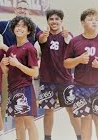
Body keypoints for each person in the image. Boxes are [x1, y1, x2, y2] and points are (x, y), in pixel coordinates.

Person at [0, 0, 45, 140]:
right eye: (20, 8)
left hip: (24, 83)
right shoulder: (7, 30)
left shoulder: (31, 38)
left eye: (25, 8)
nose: (22, 10)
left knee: (28, 120)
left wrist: (47, 35)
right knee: (14, 117)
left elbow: (42, 41)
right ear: (15, 10)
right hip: (9, 78)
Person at [63, 8, 98, 140]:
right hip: (81, 87)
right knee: (85, 120)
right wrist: (79, 59)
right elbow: (66, 63)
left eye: (96, 20)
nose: (94, 22)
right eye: (90, 19)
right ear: (82, 22)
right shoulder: (75, 41)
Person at [36, 9, 81, 140]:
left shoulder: (67, 35)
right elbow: (41, 39)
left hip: (65, 79)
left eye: (57, 19)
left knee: (71, 110)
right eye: (51, 19)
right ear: (48, 21)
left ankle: (80, 137)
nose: (54, 21)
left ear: (61, 21)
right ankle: (47, 138)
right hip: (47, 80)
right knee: (48, 111)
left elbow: (70, 41)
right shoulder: (43, 34)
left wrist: (67, 36)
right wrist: (44, 35)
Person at [0, 16, 39, 140]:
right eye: (17, 25)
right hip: (12, 89)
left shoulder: (30, 48)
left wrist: (18, 64)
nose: (20, 28)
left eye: (23, 26)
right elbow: (8, 73)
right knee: (17, 122)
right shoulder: (11, 49)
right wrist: (2, 65)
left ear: (28, 31)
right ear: (13, 29)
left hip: (25, 89)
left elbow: (35, 73)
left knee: (29, 121)